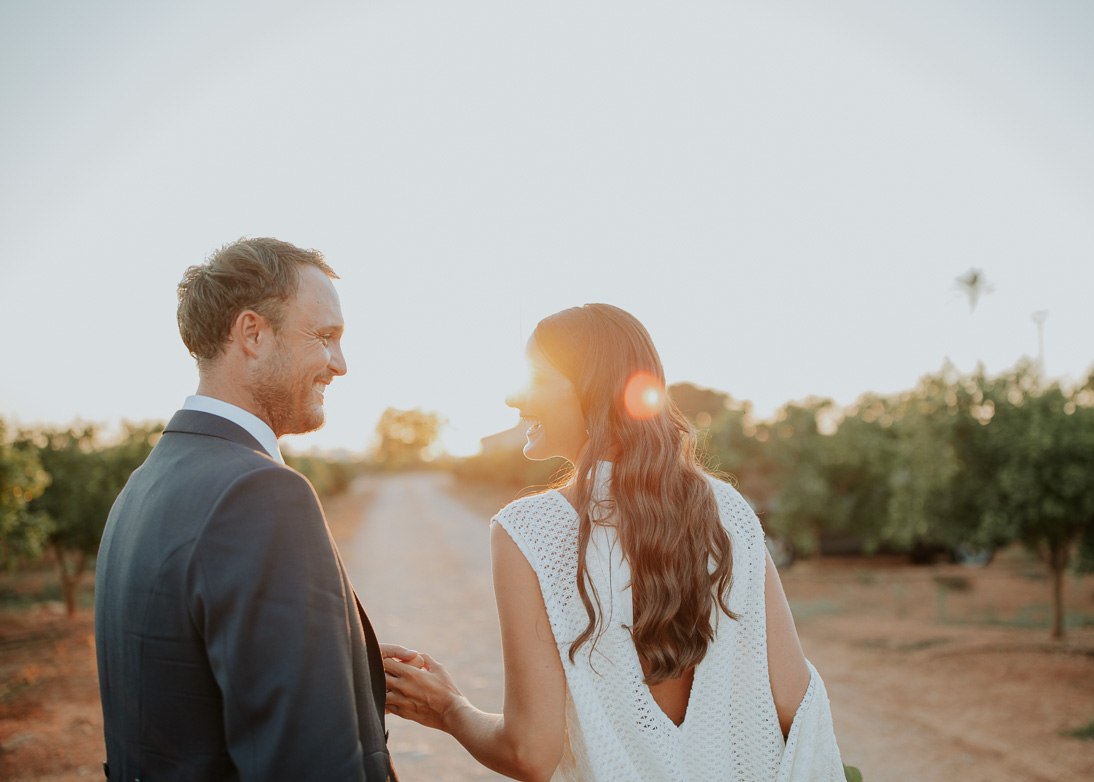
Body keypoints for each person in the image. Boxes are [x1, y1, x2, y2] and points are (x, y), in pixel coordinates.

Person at [382, 303, 846, 781]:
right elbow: (796, 702)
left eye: (536, 379)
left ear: (595, 392)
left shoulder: (530, 531)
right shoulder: (728, 509)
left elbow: (530, 753)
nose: (512, 398)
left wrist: (449, 709)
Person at [95, 238, 396, 781]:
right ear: (253, 333)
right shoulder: (262, 494)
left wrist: (342, 657)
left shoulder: (140, 489)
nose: (341, 364)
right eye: (325, 337)